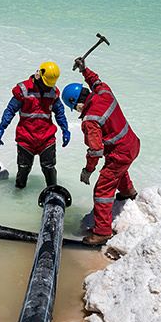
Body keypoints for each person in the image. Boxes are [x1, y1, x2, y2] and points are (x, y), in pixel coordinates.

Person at [62, 57, 140, 246]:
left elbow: (96, 150)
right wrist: (84, 70)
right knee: (117, 169)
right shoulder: (104, 93)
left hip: (120, 153)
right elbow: (96, 81)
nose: (77, 110)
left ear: (75, 102)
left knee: (102, 190)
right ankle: (128, 192)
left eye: (74, 107)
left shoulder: (90, 120)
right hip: (133, 144)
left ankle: (102, 232)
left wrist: (88, 170)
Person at [0, 61, 71, 189]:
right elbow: (10, 110)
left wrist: (65, 129)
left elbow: (59, 111)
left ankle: (53, 194)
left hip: (47, 138)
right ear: (38, 74)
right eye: (44, 83)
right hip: (26, 138)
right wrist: (2, 127)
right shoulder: (23, 90)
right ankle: (18, 198)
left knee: (49, 169)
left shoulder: (53, 91)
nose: (45, 86)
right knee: (23, 170)